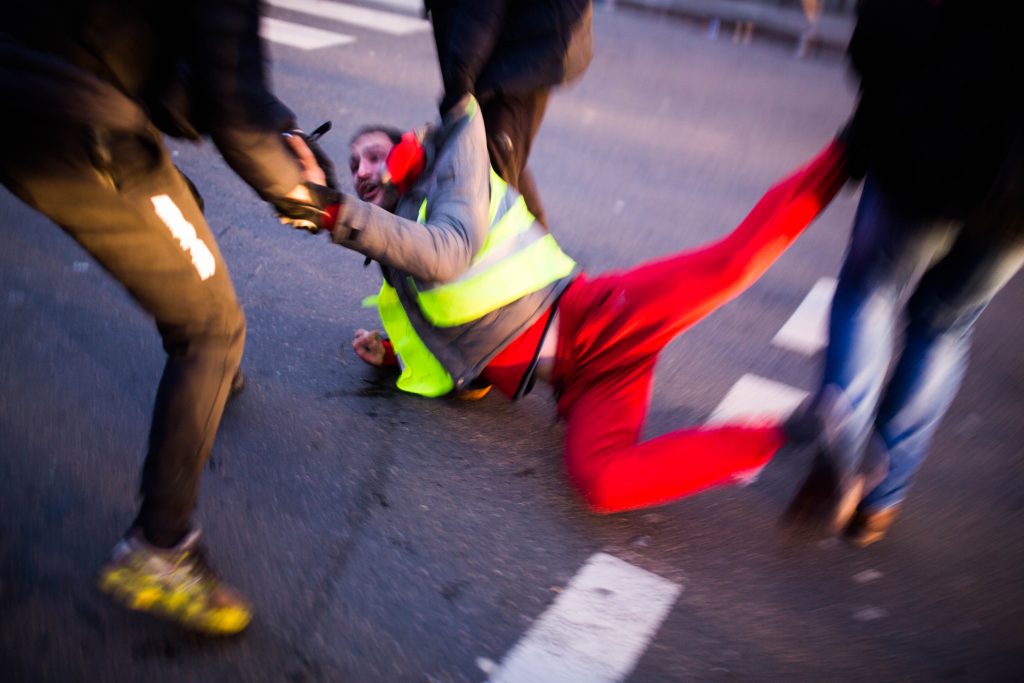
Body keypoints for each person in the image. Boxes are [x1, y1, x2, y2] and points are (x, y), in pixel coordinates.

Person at [312, 95, 847, 515]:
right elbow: (442, 338)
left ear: (408, 152)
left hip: (601, 314)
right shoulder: (397, 272)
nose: (361, 170)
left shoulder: (453, 193)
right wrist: (392, 354)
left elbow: (440, 252)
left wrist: (343, 208)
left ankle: (849, 152)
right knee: (601, 484)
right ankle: (790, 431)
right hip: (583, 383)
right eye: (355, 163)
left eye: (374, 155)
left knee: (731, 264)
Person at [0, 0, 339, 634]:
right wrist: (306, 200)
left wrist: (279, 127)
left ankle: (209, 376)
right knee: (213, 328)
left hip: (33, 87)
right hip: (76, 123)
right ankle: (160, 551)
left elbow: (185, 74)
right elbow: (230, 111)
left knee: (184, 200)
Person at [783, 0, 1024, 546]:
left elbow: (891, 26)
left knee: (870, 292)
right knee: (945, 326)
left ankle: (842, 441)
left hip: (934, 140)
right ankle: (880, 498)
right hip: (1017, 205)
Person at [424, 0, 593, 229]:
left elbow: (479, 13)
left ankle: (536, 258)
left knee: (493, 166)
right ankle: (543, 252)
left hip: (530, 45)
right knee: (495, 154)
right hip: (511, 34)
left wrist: (459, 81)